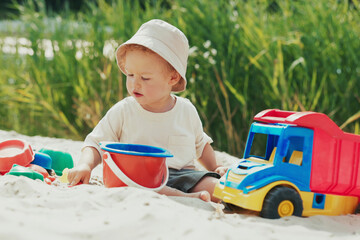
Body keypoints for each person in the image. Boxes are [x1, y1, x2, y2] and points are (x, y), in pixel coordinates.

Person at [67, 19, 228, 202]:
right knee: (143, 186)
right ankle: (187, 197)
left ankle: (191, 193)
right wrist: (85, 165)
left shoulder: (186, 110)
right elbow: (95, 142)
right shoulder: (124, 111)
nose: (135, 83)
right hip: (139, 176)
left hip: (183, 175)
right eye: (130, 75)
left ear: (173, 77)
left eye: (145, 78)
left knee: (218, 188)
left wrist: (215, 167)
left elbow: (201, 145)